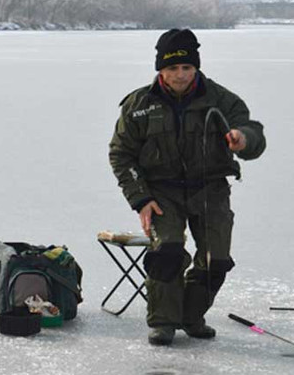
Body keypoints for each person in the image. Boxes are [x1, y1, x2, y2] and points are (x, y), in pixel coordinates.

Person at [108, 28, 266, 346]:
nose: (180, 75)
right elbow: (121, 155)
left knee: (216, 259)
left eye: (186, 68)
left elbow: (254, 134)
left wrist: (243, 139)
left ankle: (191, 316)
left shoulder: (222, 100)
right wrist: (141, 199)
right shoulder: (139, 104)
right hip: (161, 191)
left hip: (210, 189)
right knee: (167, 249)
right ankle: (163, 322)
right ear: (160, 69)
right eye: (172, 68)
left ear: (196, 67)